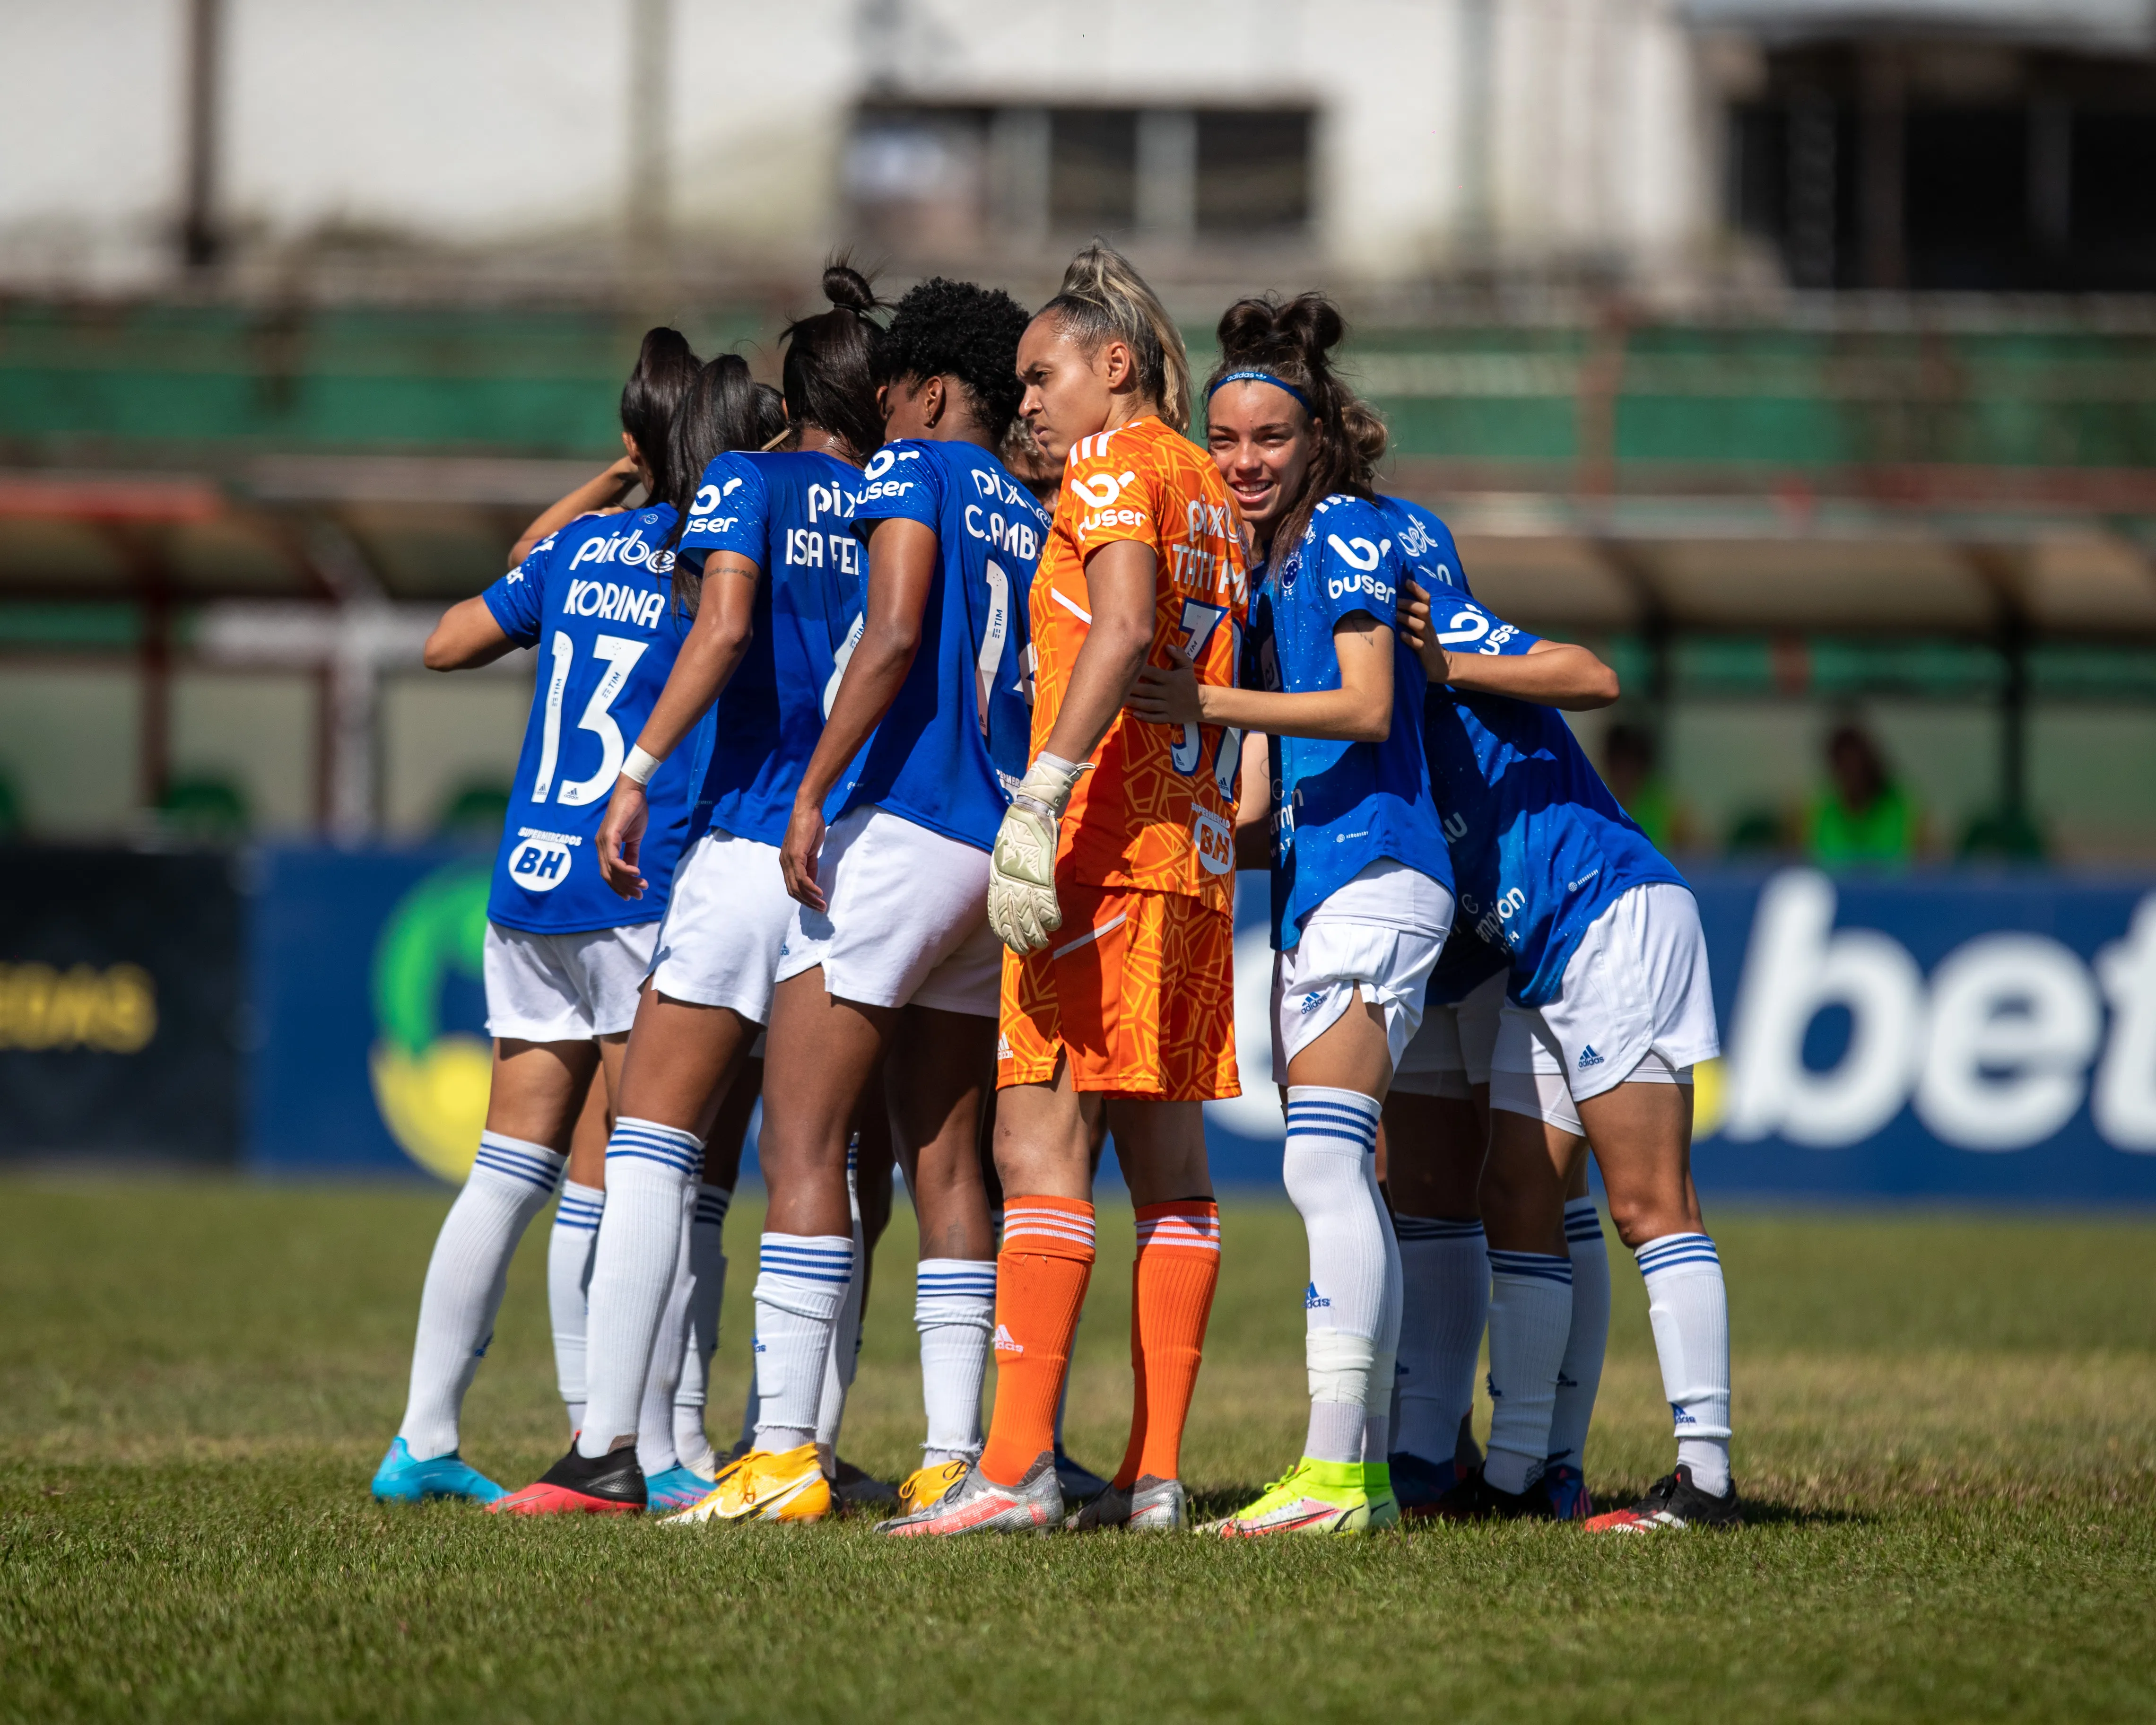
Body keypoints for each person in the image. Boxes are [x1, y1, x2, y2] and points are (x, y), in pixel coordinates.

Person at [492, 265, 884, 1517]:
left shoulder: (747, 481)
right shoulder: (901, 498)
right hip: (853, 859)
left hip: (739, 847)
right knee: (828, 1162)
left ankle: (612, 1447)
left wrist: (638, 772)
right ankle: (797, 1449)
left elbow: (718, 633)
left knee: (650, 1149)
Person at [669, 277, 1046, 1526]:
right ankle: (952, 1456)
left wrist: (813, 793)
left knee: (803, 1139)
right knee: (947, 1164)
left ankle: (782, 1453)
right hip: (991, 851)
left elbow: (888, 640)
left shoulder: (915, 471)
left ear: (931, 390)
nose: (881, 417)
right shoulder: (1036, 517)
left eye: (894, 393)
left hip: (901, 832)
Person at [883, 242, 1244, 1538]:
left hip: (1099, 851)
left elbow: (1128, 630)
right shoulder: (1209, 484)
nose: (1026, 402)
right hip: (1191, 862)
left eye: (1043, 378)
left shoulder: (1108, 472)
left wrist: (1039, 793)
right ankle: (1151, 1480)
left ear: (1115, 366)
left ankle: (1018, 1469)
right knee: (1174, 1177)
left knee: (1033, 1148)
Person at [1127, 293, 1454, 1536]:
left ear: (1317, 437)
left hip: (1379, 869)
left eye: (1271, 437)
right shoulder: (1270, 575)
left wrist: (1204, 707)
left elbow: (1367, 708)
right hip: (1327, 876)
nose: (1248, 462)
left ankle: (1334, 1474)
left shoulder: (1356, 535)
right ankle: (1358, 1466)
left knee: (1325, 1161)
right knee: (1344, 1163)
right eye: (1230, 441)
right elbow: (1267, 791)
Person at [372, 329, 715, 1506]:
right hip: (635, 881)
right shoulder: (708, 554)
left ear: (635, 443)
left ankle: (422, 1438)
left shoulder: (577, 550)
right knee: (647, 1166)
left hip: (526, 883)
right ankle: (642, 1448)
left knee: (508, 1168)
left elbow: (447, 640)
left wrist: (610, 481)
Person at [1395, 514, 1738, 1532]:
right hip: (1539, 955)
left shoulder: (1423, 619)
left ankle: (1707, 1479)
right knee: (1517, 1193)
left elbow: (1594, 677)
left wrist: (1446, 660)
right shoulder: (1333, 682)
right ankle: (1517, 1474)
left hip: (1609, 913)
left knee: (1648, 1204)